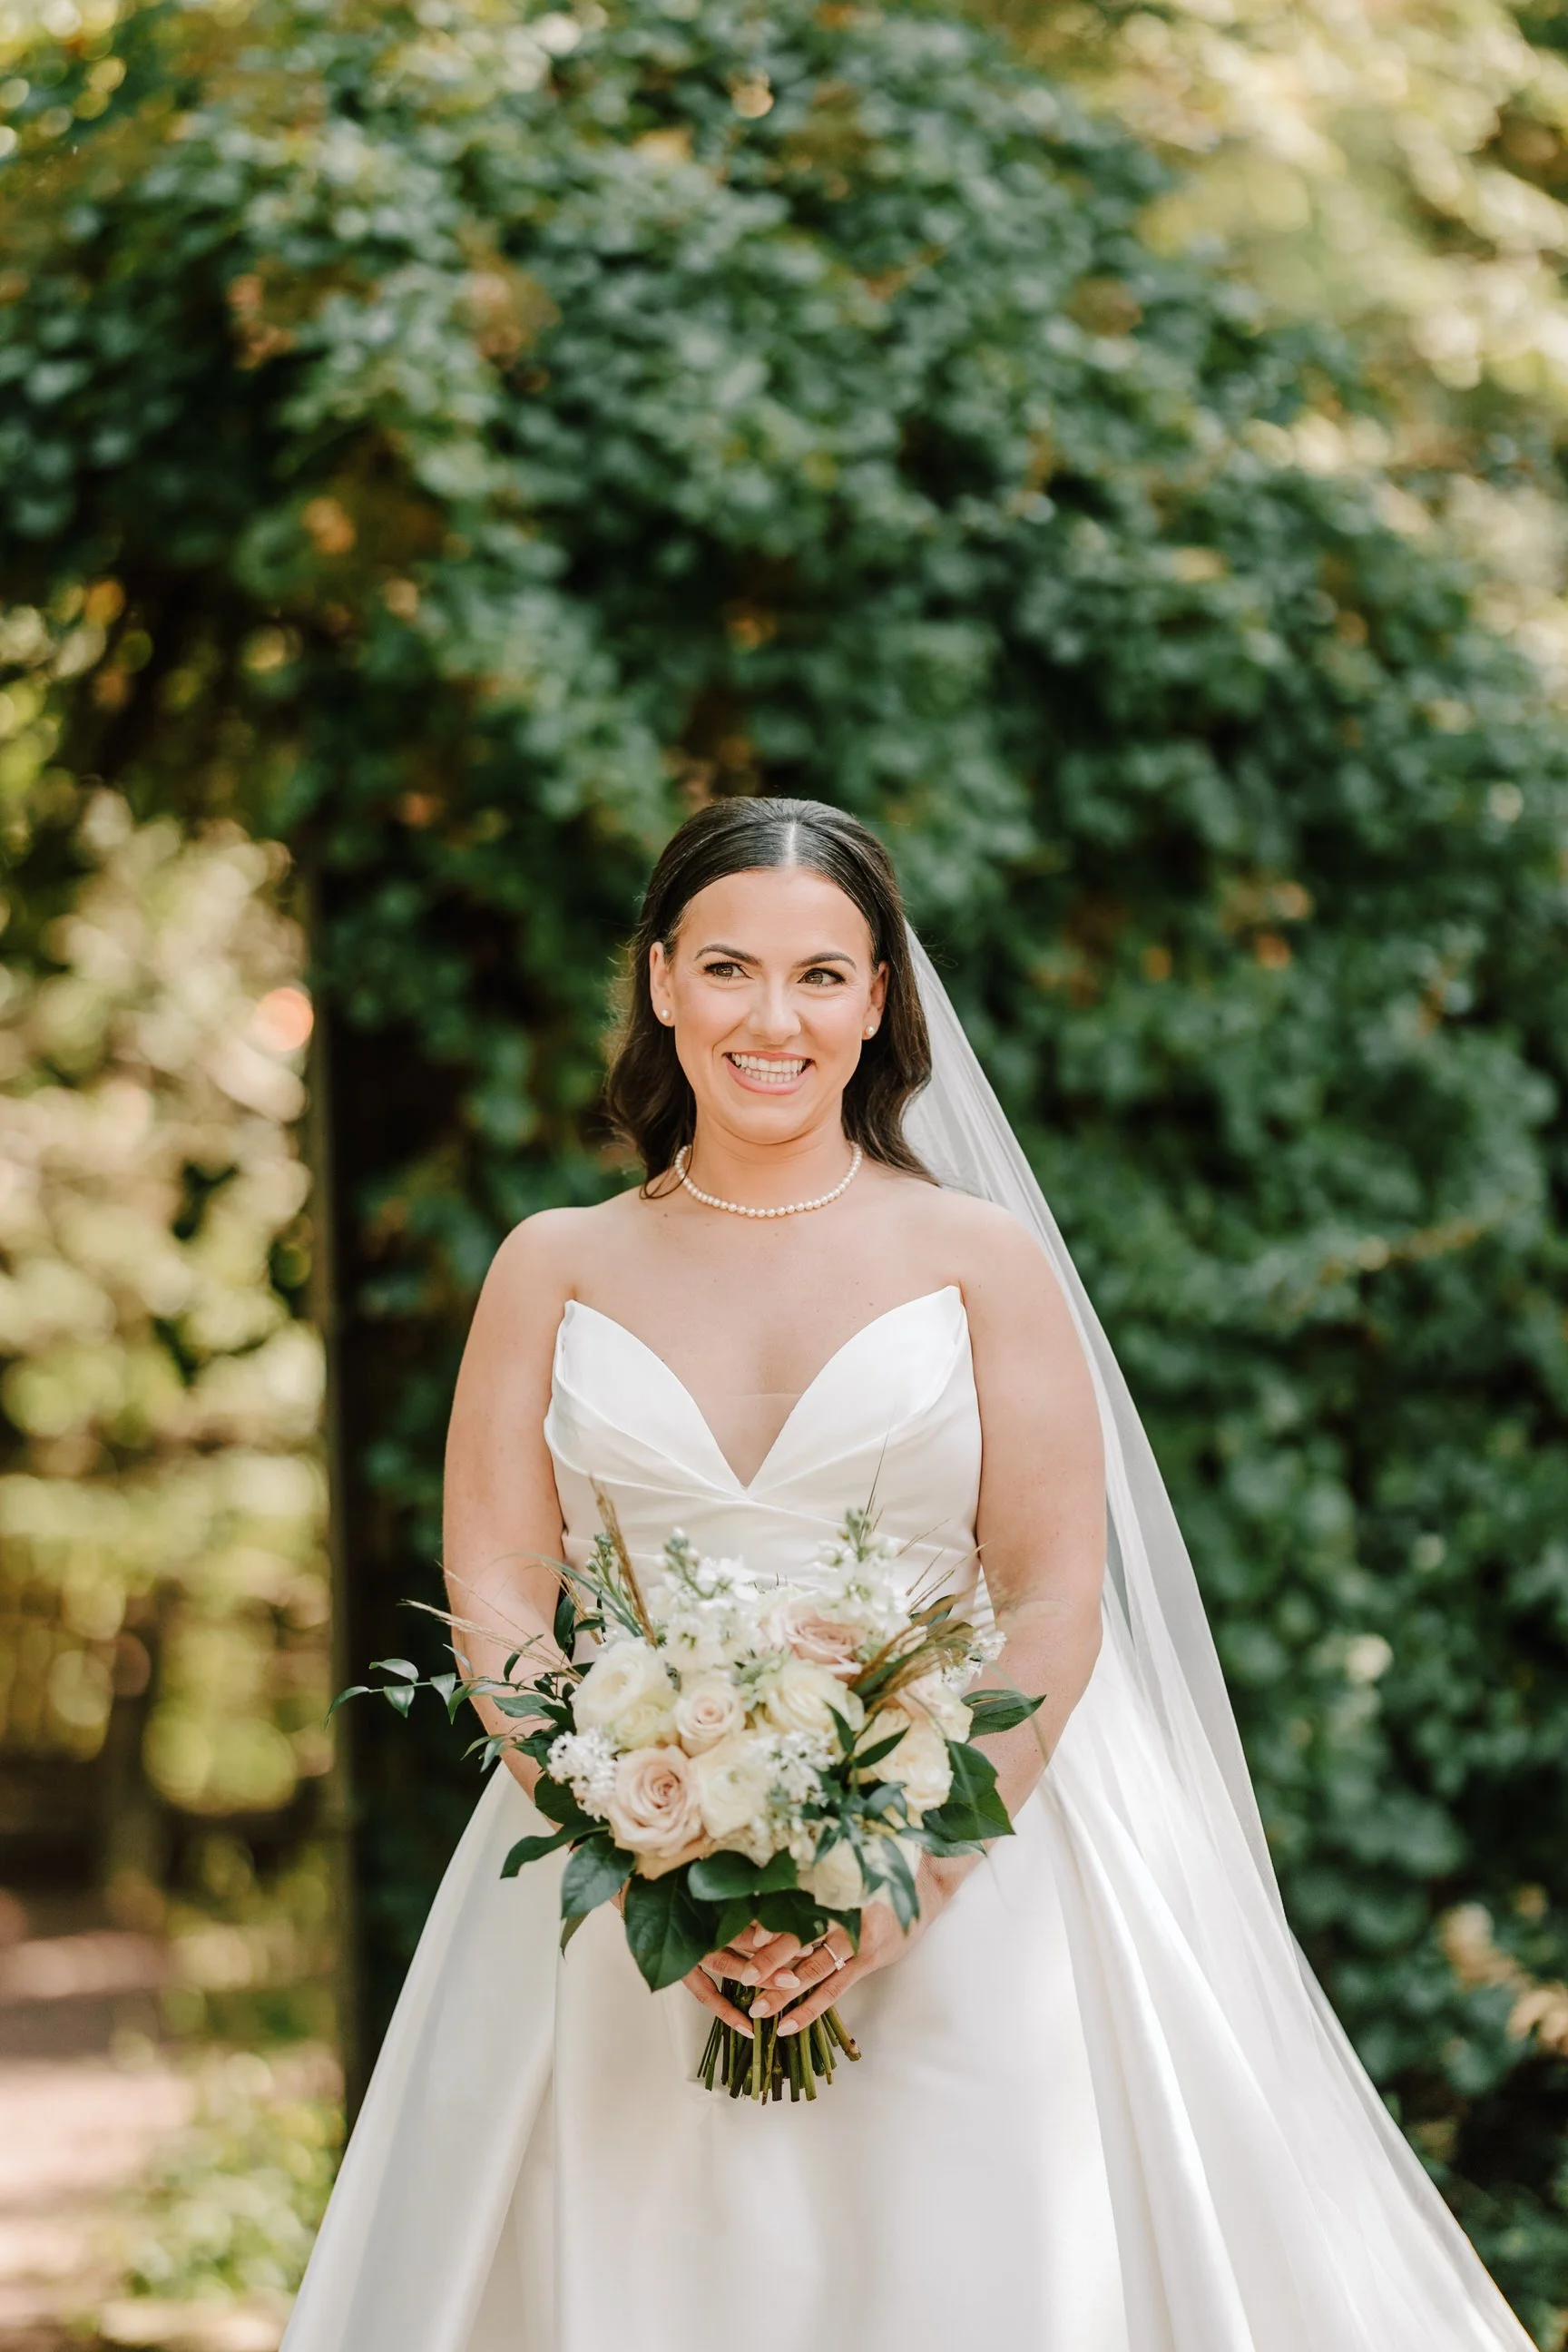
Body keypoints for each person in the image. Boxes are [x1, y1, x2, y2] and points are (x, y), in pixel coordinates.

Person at [282, 799, 1532, 2352]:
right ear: (661, 981)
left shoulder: (977, 1259)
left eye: (823, 976)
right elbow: (498, 1584)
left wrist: (908, 1881)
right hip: (620, 1888)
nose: (773, 1019)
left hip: (979, 1872)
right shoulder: (553, 1262)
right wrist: (642, 1842)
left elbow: (1057, 1591)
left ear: (880, 1004)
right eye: (729, 968)